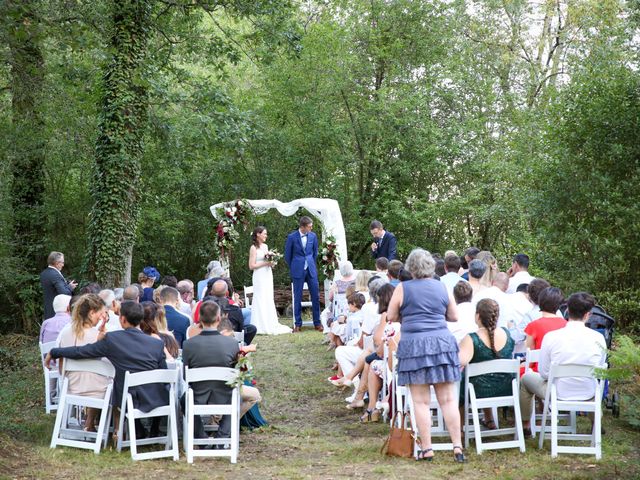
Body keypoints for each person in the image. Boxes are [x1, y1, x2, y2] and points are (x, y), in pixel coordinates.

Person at [45, 301, 168, 439]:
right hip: (156, 398)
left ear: (122, 319)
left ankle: (132, 430)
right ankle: (152, 430)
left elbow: (82, 351)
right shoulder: (157, 344)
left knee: (117, 385)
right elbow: (164, 374)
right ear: (140, 319)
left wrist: (55, 351)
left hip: (127, 399)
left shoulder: (113, 339)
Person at [387, 248, 465, 462]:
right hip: (441, 343)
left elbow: (391, 315)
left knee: (421, 402)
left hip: (414, 346)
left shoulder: (403, 288)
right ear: (430, 266)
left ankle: (428, 449)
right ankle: (457, 447)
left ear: (410, 267)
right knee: (448, 400)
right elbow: (454, 316)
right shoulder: (442, 287)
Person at [519, 292, 607, 436]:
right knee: (594, 385)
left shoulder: (552, 337)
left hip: (557, 392)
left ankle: (526, 425)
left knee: (525, 379)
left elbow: (544, 372)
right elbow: (600, 369)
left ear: (567, 311)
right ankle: (595, 424)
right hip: (588, 392)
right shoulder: (599, 338)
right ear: (587, 315)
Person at [181, 301, 261, 441]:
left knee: (183, 401)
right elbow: (239, 373)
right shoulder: (232, 343)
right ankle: (223, 434)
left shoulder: (188, 344)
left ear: (199, 319)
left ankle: (202, 438)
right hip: (225, 395)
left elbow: (184, 375)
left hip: (198, 396)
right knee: (241, 396)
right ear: (219, 319)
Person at [56, 293, 110, 432]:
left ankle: (89, 422)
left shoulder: (65, 332)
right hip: (97, 391)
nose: (101, 317)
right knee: (112, 379)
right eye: (100, 313)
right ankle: (110, 428)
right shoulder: (98, 335)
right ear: (92, 312)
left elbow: (61, 363)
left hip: (70, 386)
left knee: (93, 375)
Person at [458, 298, 515, 429]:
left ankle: (460, 428)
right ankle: (489, 419)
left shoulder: (472, 338)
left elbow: (460, 361)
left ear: (478, 315)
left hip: (479, 390)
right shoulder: (506, 334)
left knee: (461, 382)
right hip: (506, 387)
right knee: (485, 377)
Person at [249, 226, 291, 335]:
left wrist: (272, 263)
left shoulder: (266, 246)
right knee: (260, 297)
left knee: (268, 297)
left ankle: (269, 322)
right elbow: (251, 265)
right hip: (259, 275)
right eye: (264, 234)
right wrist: (265, 263)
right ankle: (259, 324)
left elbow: (268, 260)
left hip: (267, 274)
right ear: (258, 234)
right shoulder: (253, 248)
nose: (266, 236)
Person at [284, 216, 321, 332]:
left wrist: (310, 263)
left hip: (311, 269)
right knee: (297, 297)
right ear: (303, 227)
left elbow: (315, 253)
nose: (311, 228)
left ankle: (317, 323)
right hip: (297, 269)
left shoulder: (313, 236)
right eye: (310, 226)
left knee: (315, 295)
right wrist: (295, 266)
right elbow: (287, 256)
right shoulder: (292, 237)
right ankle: (298, 324)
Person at [523, 287, 567, 371]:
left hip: (539, 372)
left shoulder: (533, 326)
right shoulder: (566, 325)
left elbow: (530, 362)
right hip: (560, 371)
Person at [40, 251, 77, 319]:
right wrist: (70, 287)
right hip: (57, 311)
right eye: (62, 262)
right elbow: (64, 293)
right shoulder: (55, 275)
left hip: (48, 309)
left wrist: (67, 285)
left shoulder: (44, 273)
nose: (63, 265)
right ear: (57, 263)